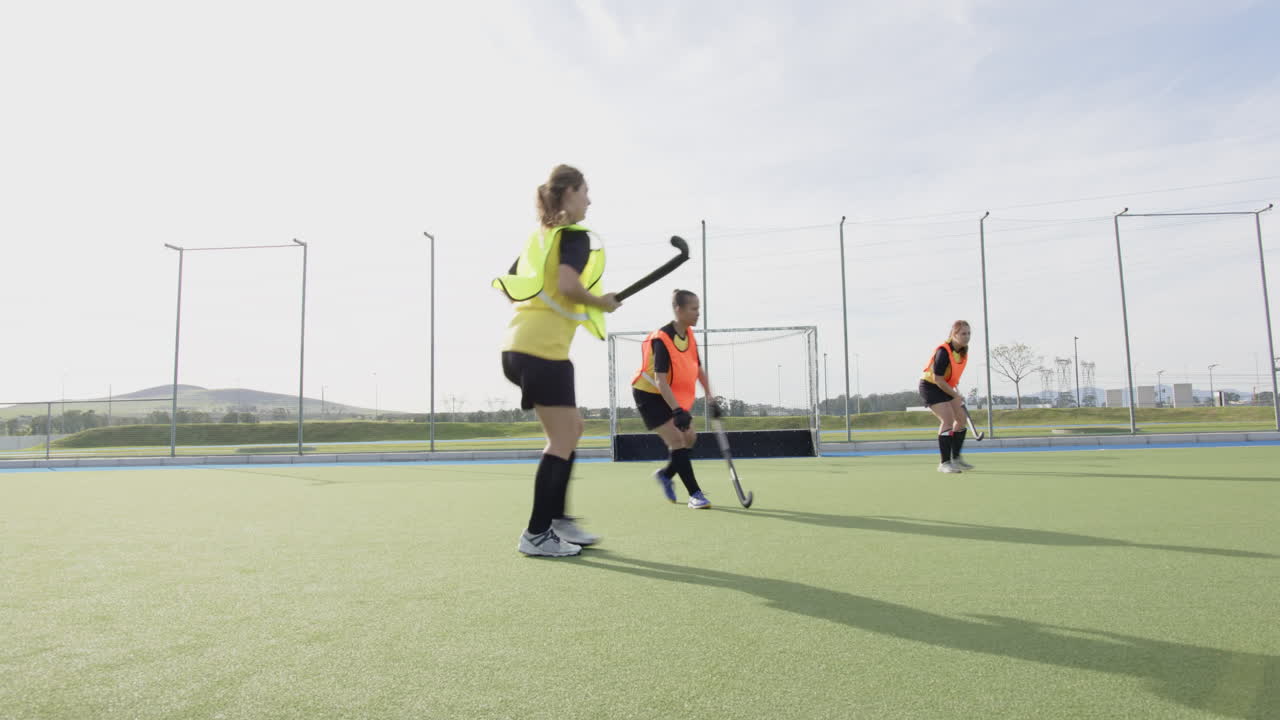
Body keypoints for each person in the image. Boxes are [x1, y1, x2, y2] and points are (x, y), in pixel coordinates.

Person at [492, 164, 621, 557]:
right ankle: (536, 533)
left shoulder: (540, 239)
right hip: (542, 351)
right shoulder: (574, 237)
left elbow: (513, 289)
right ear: (568, 193)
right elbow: (568, 284)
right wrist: (601, 302)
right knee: (562, 438)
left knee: (572, 429)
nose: (589, 199)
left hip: (517, 346)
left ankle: (559, 520)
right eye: (585, 191)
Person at [631, 289, 718, 509]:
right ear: (678, 310)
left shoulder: (688, 334)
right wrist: (677, 411)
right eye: (694, 309)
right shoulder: (663, 338)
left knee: (690, 437)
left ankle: (666, 474)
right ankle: (695, 494)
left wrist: (711, 398)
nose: (698, 313)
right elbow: (660, 380)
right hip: (649, 394)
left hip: (668, 393)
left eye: (699, 308)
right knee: (677, 440)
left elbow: (697, 368)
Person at [919, 320, 975, 473]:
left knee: (961, 419)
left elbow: (951, 375)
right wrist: (955, 395)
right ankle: (944, 463)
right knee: (948, 419)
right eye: (963, 333)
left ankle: (956, 459)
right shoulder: (943, 351)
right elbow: (938, 379)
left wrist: (955, 392)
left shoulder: (962, 351)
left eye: (969, 333)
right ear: (954, 334)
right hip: (930, 387)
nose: (967, 337)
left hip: (946, 386)